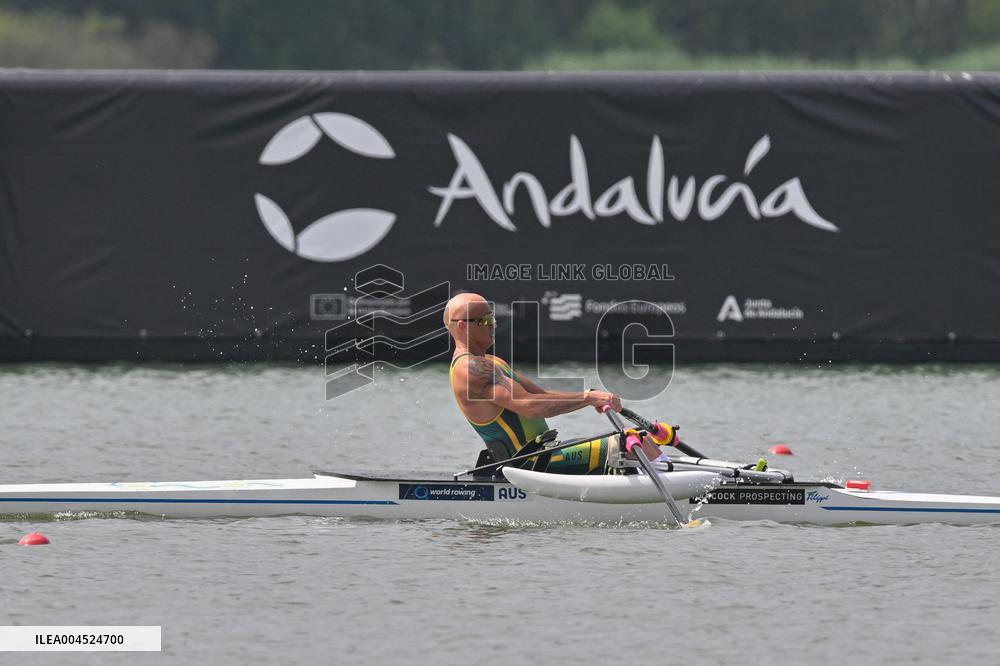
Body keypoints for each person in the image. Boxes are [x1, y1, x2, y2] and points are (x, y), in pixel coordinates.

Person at [444, 292, 661, 474]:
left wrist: (588, 395)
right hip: (528, 463)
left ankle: (655, 482)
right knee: (634, 442)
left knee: (642, 441)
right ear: (462, 326)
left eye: (493, 319)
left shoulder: (492, 362)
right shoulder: (470, 369)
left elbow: (542, 395)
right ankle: (683, 495)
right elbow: (529, 406)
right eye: (485, 321)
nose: (493, 325)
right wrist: (587, 398)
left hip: (543, 453)